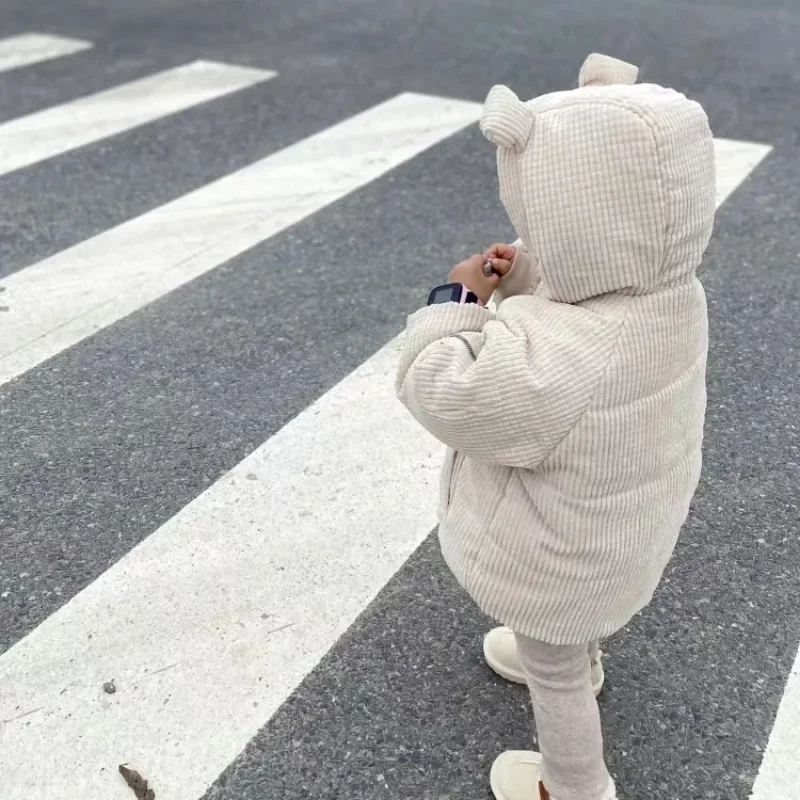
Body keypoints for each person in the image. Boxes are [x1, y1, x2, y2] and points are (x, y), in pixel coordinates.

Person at [395, 53, 716, 800]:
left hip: (557, 558)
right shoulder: (672, 292)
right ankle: (583, 651)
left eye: (539, 217)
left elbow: (440, 386)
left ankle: (573, 785)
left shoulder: (563, 353)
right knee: (570, 634)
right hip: (621, 533)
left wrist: (459, 297)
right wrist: (536, 270)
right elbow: (603, 277)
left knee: (553, 673)